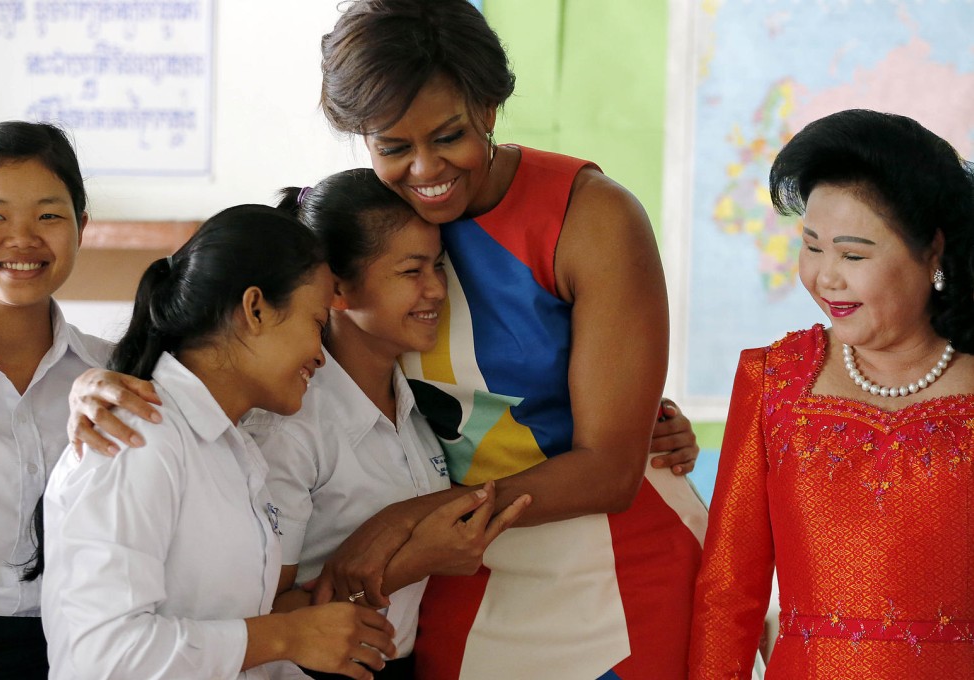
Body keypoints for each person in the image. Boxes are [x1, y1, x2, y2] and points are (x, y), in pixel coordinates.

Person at [65, 2, 705, 676]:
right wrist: (91, 380)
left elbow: (609, 467)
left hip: (608, 566)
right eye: (393, 147)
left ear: (489, 107)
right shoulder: (367, 223)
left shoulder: (590, 215)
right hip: (448, 582)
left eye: (449, 135)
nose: (425, 169)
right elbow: (213, 307)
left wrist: (399, 522)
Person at [41, 204, 396, 680]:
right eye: (316, 323)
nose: (321, 356)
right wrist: (286, 636)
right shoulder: (137, 438)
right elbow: (108, 656)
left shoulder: (234, 447)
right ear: (254, 309)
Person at [690, 109, 974, 678]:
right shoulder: (773, 380)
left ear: (933, 252)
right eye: (812, 246)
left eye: (852, 254)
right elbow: (727, 594)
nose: (825, 277)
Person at [245, 168, 530, 680]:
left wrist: (655, 424)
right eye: (411, 272)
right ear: (337, 288)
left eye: (438, 267)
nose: (437, 291)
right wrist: (416, 559)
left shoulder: (419, 401)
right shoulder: (293, 424)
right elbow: (264, 613)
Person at [0, 121, 107, 678]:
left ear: (82, 228)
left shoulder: (120, 375)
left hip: (89, 647)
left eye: (49, 216)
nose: (22, 239)